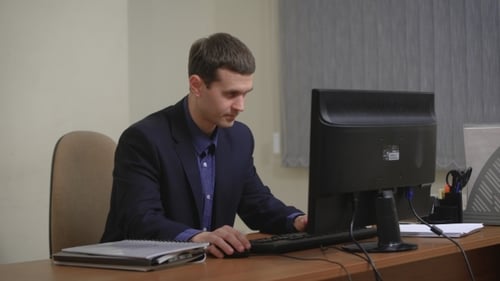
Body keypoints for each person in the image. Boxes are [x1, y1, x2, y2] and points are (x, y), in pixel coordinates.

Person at [101, 32, 307, 258]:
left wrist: (297, 220)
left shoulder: (239, 137)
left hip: (205, 267)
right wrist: (196, 237)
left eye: (245, 94)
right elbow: (139, 219)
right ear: (196, 85)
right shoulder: (143, 138)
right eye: (231, 94)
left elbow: (256, 203)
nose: (241, 106)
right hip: (139, 268)